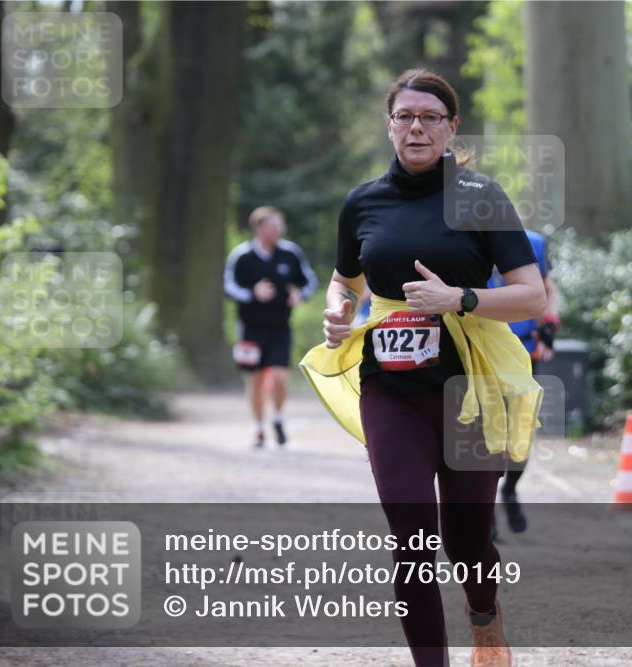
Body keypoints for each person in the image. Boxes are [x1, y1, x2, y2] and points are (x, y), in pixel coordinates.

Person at [300, 69, 545, 667]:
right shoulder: (362, 202)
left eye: (430, 117)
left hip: (470, 387)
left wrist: (458, 298)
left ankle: (484, 618)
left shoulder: (481, 196)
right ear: (389, 126)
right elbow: (343, 280)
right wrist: (338, 309)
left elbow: (532, 295)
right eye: (405, 117)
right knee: (411, 540)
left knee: (468, 543)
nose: (417, 127)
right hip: (390, 389)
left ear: (451, 127)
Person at [224, 206, 318, 448]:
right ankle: (258, 427)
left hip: (280, 328)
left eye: (280, 225)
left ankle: (277, 417)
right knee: (255, 380)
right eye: (273, 226)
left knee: (279, 377)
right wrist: (252, 293)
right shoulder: (242, 256)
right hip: (250, 329)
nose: (279, 230)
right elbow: (229, 287)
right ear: (259, 228)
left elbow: (310, 281)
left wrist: (300, 294)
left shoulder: (291, 253)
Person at [487, 229, 560, 535]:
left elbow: (548, 289)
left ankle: (510, 490)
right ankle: (485, 510)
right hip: (482, 350)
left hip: (524, 352)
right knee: (484, 434)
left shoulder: (532, 242)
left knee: (521, 433)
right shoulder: (463, 238)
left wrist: (549, 326)